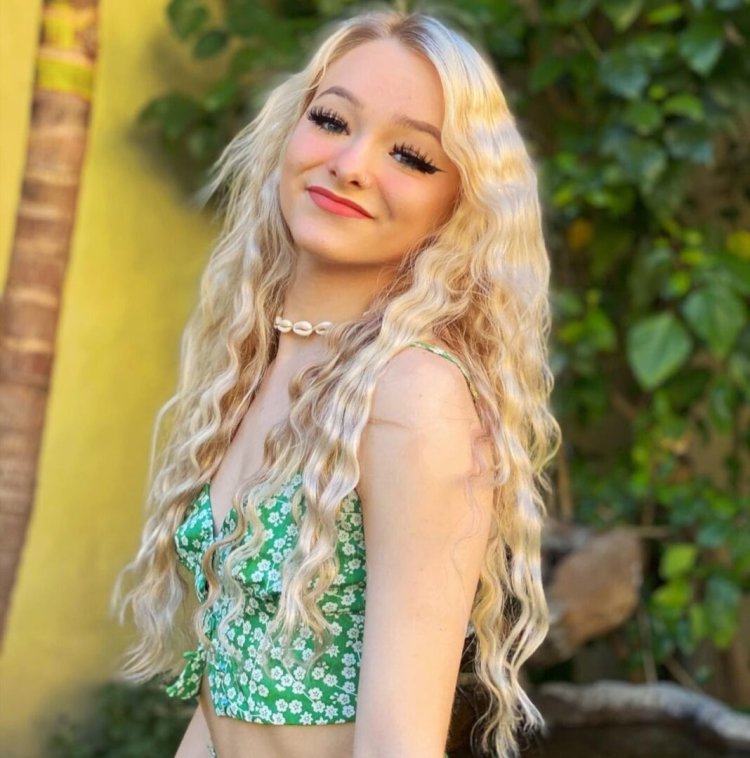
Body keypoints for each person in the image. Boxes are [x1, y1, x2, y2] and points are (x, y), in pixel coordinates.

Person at [112, 7, 561, 758]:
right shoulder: (269, 361)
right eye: (331, 120)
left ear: (459, 207)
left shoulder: (412, 395)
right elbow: (231, 694)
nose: (352, 164)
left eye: (411, 156)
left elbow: (399, 742)